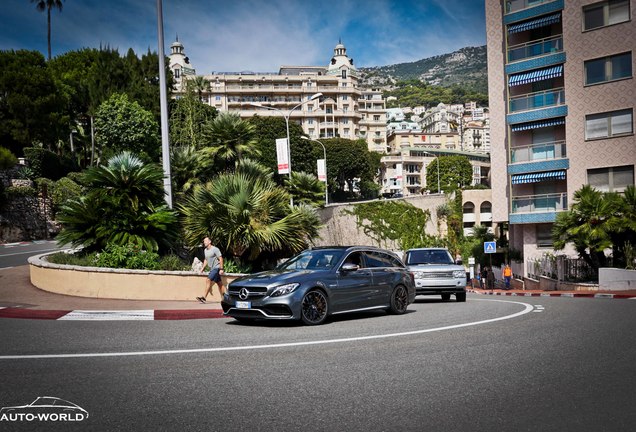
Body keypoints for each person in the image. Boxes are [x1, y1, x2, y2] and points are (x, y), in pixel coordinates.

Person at [197, 236, 224, 303]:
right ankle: (225, 298)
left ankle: (204, 297)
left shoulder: (215, 249)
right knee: (220, 284)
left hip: (216, 268)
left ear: (210, 242)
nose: (204, 242)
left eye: (205, 241)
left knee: (208, 280)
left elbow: (220, 258)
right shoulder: (205, 250)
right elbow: (206, 259)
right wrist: (202, 268)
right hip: (212, 269)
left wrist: (221, 268)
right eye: (204, 241)